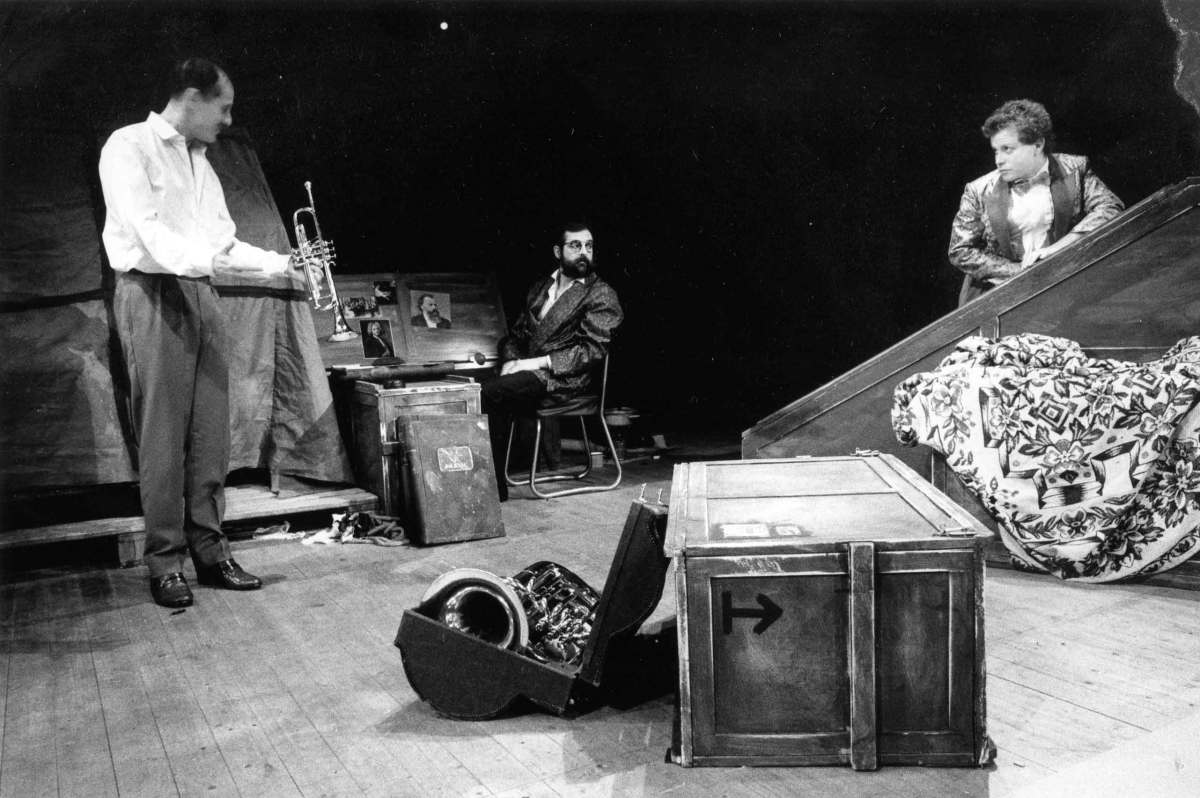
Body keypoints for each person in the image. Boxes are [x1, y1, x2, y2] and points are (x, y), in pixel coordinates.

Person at [99, 57, 298, 608]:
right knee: (163, 435)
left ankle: (211, 551)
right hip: (151, 290)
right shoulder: (128, 146)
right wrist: (210, 262)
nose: (228, 121)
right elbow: (150, 235)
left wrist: (283, 265)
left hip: (200, 291)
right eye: (223, 108)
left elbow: (222, 242)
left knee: (212, 432)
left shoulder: (200, 163)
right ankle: (165, 562)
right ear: (192, 96)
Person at [481, 221, 623, 500]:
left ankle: (492, 490)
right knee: (479, 389)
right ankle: (487, 481)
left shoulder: (600, 293)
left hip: (568, 379)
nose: (584, 252)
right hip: (532, 372)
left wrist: (531, 363)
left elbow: (591, 350)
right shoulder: (542, 287)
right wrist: (511, 362)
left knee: (491, 393)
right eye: (575, 245)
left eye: (589, 246)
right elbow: (517, 335)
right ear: (558, 252)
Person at [949, 99, 1124, 306]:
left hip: (1066, 286)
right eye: (996, 150)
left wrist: (1056, 250)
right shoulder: (978, 190)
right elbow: (960, 250)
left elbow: (1110, 207)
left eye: (1007, 149)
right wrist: (1020, 272)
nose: (999, 160)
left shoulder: (1075, 168)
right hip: (1001, 298)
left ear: (1038, 145)